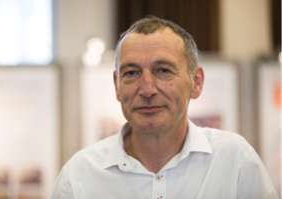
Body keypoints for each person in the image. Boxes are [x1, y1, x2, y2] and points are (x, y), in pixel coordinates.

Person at [51, 16, 278, 199]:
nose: (147, 89)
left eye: (163, 70)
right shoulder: (79, 177)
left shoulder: (234, 161)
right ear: (117, 86)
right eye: (131, 73)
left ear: (196, 82)